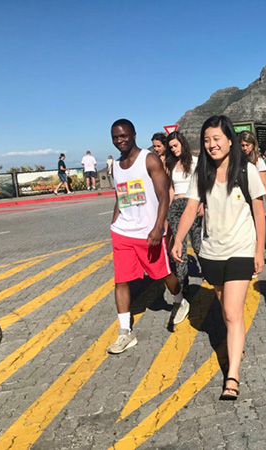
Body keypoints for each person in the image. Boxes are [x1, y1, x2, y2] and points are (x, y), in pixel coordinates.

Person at [171, 115, 266, 400]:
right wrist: (178, 239)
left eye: (217, 139)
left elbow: (259, 212)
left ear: (229, 140)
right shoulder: (201, 173)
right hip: (211, 253)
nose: (212, 145)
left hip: (241, 249)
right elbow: (190, 210)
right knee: (227, 311)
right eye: (207, 140)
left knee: (231, 313)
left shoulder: (246, 171)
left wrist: (259, 250)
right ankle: (237, 344)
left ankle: (232, 375)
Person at [108, 119, 181, 354]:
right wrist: (114, 221)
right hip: (123, 232)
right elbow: (120, 196)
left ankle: (180, 299)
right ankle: (125, 333)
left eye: (124, 136)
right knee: (121, 280)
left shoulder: (148, 160)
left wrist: (158, 227)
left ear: (134, 135)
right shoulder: (115, 166)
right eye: (115, 137)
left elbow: (164, 196)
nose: (120, 141)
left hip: (148, 233)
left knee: (163, 274)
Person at [165, 130, 201, 321]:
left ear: (182, 144)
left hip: (191, 205)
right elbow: (170, 188)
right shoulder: (170, 164)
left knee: (197, 244)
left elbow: (202, 184)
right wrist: (168, 210)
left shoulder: (194, 161)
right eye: (171, 147)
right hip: (176, 207)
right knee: (179, 250)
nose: (173, 149)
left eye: (176, 145)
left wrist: (202, 203)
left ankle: (210, 275)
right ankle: (183, 284)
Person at [239, 130, 266, 218]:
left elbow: (265, 184)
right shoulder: (237, 161)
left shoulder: (258, 161)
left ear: (253, 145)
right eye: (242, 145)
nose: (245, 148)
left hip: (254, 200)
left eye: (247, 145)